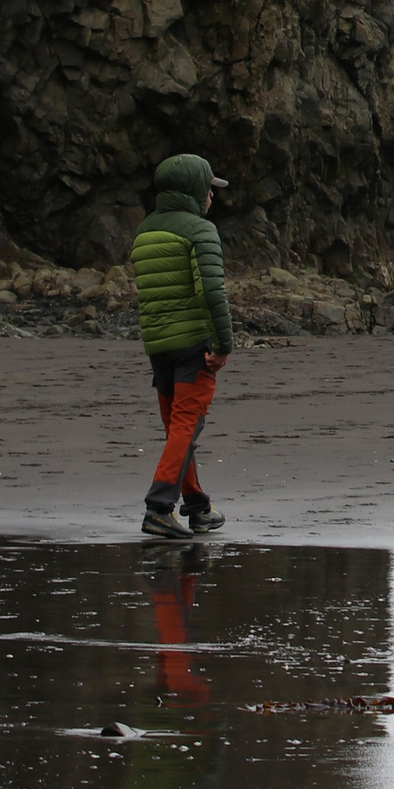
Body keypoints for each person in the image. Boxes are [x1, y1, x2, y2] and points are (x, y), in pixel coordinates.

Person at [130, 153, 236, 538]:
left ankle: (198, 507)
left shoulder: (145, 231)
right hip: (193, 345)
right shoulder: (199, 231)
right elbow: (212, 291)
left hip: (158, 346)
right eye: (209, 188)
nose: (212, 196)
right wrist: (223, 344)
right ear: (195, 190)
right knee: (186, 427)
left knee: (178, 430)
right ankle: (159, 507)